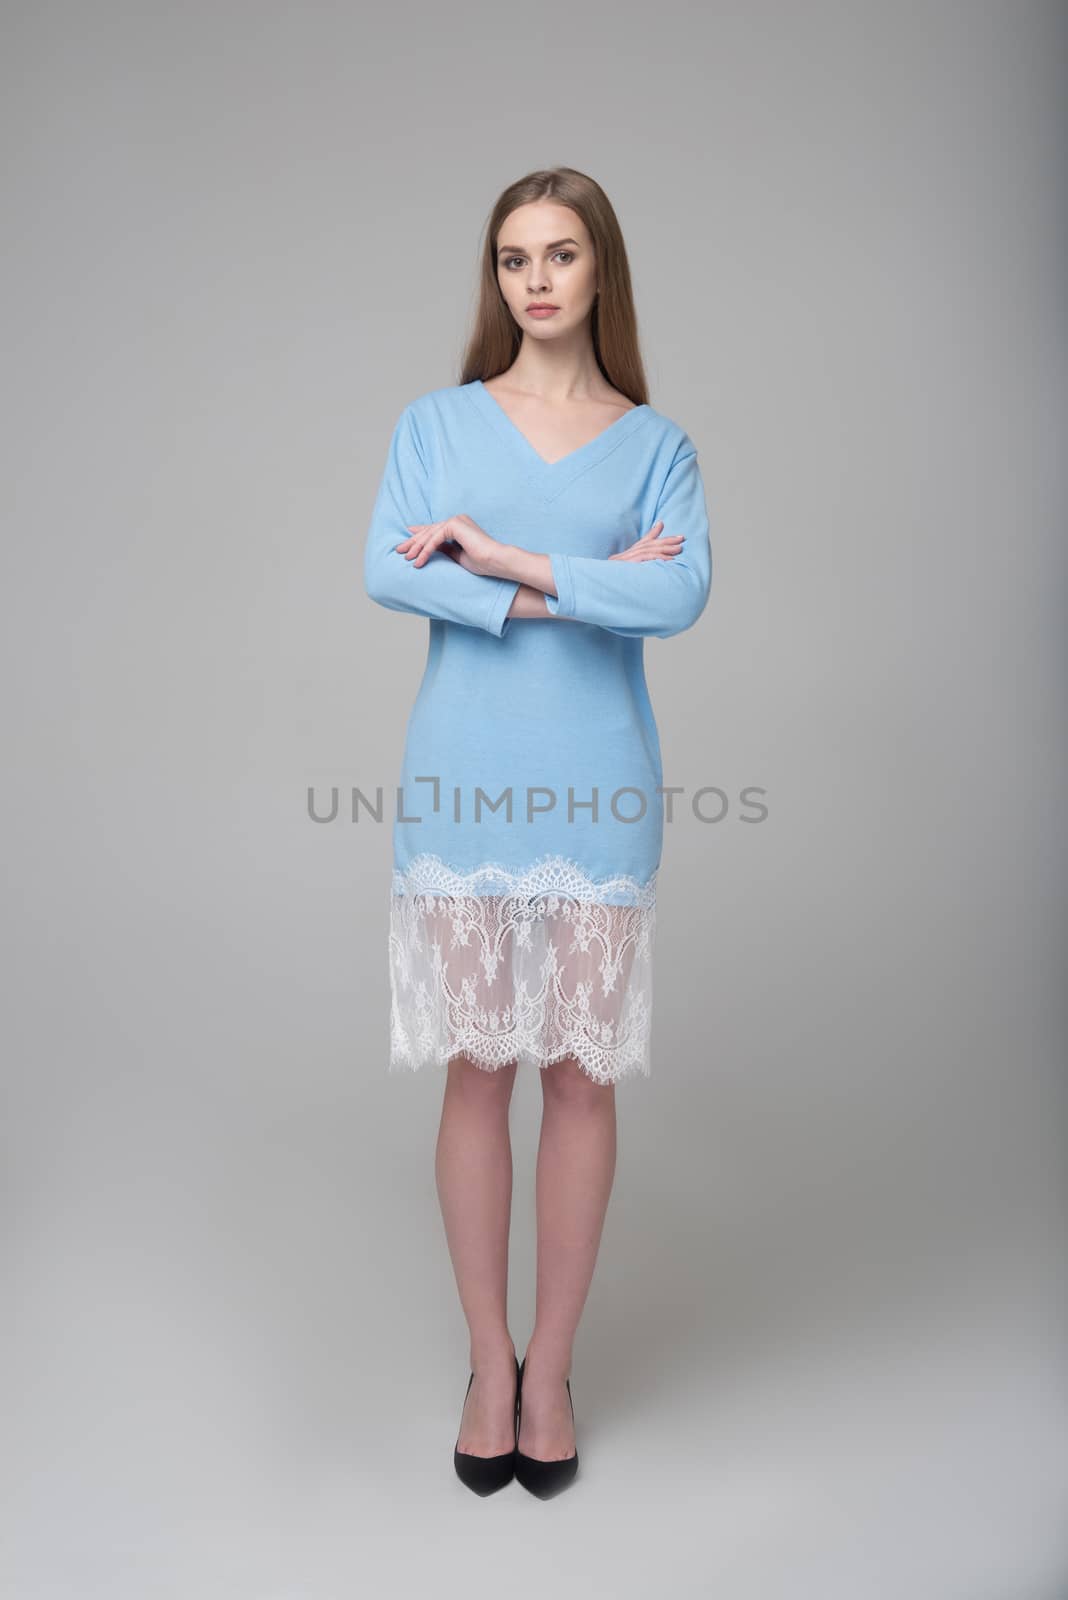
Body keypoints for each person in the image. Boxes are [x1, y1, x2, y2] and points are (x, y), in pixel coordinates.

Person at [363, 166, 712, 1497]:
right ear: (496, 278)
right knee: (477, 1072)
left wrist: (502, 564)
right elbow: (387, 567)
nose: (538, 279)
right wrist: (591, 587)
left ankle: (552, 1370)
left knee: (578, 1077)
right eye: (515, 258)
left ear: (600, 271)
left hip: (600, 782)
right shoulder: (437, 426)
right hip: (463, 778)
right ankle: (487, 1358)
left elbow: (678, 598)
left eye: (562, 254)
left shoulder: (657, 442)